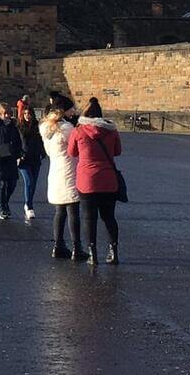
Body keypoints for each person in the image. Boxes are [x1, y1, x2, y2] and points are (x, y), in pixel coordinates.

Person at [67, 96, 122, 265]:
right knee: (109, 217)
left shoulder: (78, 131)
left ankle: (93, 253)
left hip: (87, 181)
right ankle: (113, 251)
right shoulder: (111, 130)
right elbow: (118, 151)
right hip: (108, 180)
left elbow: (71, 152)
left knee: (89, 218)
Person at [41, 98, 86, 260]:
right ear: (64, 110)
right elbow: (76, 149)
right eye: (71, 109)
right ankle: (77, 248)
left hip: (55, 172)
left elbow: (49, 152)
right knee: (73, 210)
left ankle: (58, 246)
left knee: (59, 211)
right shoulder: (66, 128)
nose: (73, 111)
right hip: (69, 171)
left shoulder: (47, 130)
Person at [17, 104, 44, 222]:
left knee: (33, 184)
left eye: (29, 114)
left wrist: (43, 153)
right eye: (25, 114)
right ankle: (29, 205)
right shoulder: (19, 127)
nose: (27, 116)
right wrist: (18, 156)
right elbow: (16, 143)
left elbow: (42, 140)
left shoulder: (38, 127)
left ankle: (29, 202)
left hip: (35, 158)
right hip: (24, 159)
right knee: (29, 181)